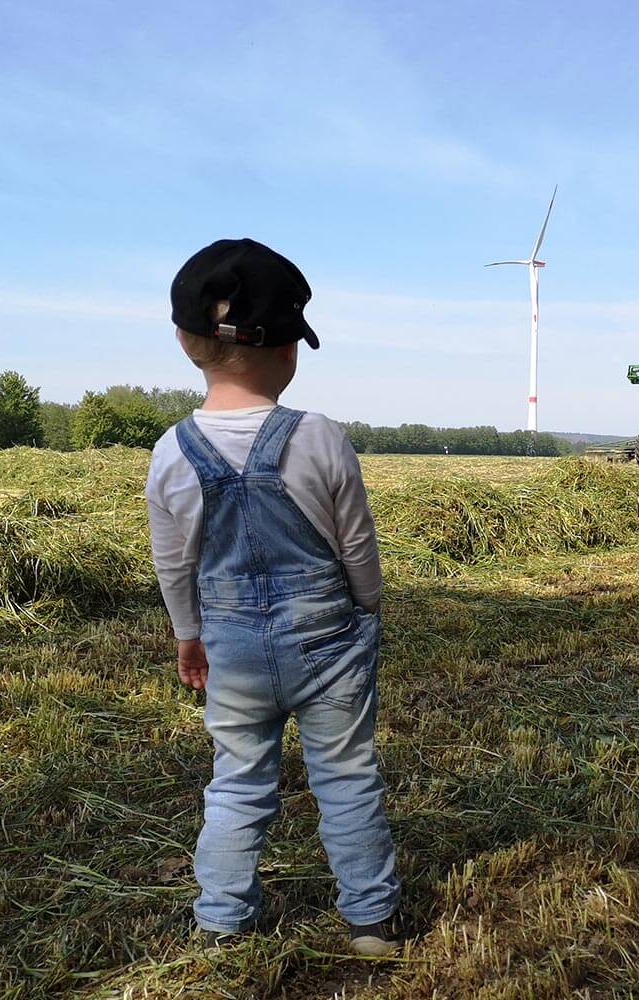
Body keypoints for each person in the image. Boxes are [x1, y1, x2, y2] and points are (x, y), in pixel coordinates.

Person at [145, 238, 402, 955]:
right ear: (291, 350)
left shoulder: (172, 451)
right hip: (329, 640)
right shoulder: (318, 438)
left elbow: (175, 564)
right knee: (347, 776)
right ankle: (371, 924)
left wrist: (187, 635)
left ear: (184, 342)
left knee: (236, 783)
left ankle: (222, 923)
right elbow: (357, 546)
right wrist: (367, 605)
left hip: (229, 647)